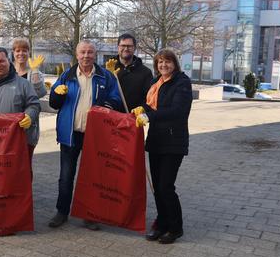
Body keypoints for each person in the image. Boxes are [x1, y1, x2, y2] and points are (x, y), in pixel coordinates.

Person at [48, 40, 122, 230]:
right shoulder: (67, 75)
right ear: (77, 54)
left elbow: (116, 99)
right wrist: (57, 93)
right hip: (70, 134)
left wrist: (108, 106)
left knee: (93, 176)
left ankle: (90, 214)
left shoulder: (106, 76)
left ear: (95, 54)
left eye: (90, 52)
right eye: (83, 52)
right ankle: (62, 212)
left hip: (96, 136)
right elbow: (54, 103)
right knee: (66, 176)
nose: (86, 55)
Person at [132, 48, 192, 244]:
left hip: (174, 142)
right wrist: (143, 108)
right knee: (157, 187)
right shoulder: (156, 83)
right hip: (157, 141)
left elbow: (177, 111)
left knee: (166, 186)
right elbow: (153, 105)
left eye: (167, 61)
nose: (163, 65)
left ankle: (176, 228)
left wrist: (149, 115)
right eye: (160, 62)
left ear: (174, 63)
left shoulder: (181, 82)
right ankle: (162, 223)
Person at [106, 33, 153, 111]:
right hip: (112, 118)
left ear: (134, 48)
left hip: (133, 118)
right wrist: (109, 76)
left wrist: (142, 110)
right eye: (123, 46)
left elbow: (149, 99)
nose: (126, 48)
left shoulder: (146, 72)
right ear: (118, 47)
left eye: (129, 46)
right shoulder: (108, 69)